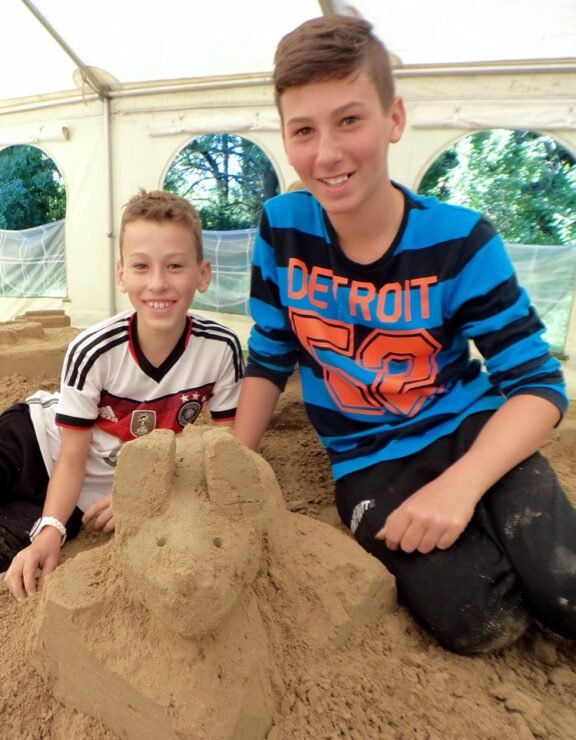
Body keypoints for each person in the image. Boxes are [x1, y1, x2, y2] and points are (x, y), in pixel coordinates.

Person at [233, 16, 576, 654]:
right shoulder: (281, 227)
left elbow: (537, 386)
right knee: (477, 621)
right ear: (284, 137)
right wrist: (234, 462)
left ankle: (510, 515)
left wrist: (464, 483)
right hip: (368, 459)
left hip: (467, 425)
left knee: (565, 583)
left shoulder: (460, 238)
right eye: (303, 130)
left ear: (394, 119)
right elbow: (270, 354)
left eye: (349, 120)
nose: (327, 152)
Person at [4, 189, 244, 600]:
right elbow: (71, 458)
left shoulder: (221, 349)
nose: (157, 282)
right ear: (121, 275)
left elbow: (227, 448)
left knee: (20, 553)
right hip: (36, 440)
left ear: (202, 274)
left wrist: (139, 492)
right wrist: (51, 529)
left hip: (88, 499)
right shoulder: (94, 349)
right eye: (141, 266)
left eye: (175, 266)